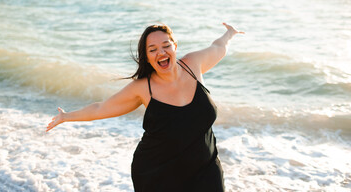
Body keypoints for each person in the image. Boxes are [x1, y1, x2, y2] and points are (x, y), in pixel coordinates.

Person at [46, 22, 244, 192]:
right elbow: (100, 108)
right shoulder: (142, 88)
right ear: (147, 57)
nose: (161, 52)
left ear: (175, 46)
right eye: (153, 49)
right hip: (160, 172)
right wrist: (65, 117)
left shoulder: (194, 64)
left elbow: (219, 47)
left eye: (166, 46)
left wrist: (230, 33)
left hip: (206, 169)